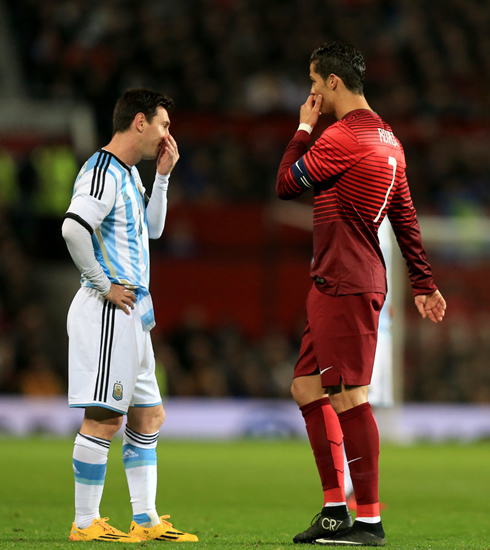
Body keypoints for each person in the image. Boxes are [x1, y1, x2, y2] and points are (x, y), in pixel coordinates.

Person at [276, 42, 446, 546]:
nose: (309, 94)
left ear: (333, 82)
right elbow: (405, 215)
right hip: (338, 280)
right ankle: (334, 511)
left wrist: (303, 129)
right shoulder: (389, 139)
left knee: (349, 397)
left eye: (313, 82)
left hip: (346, 283)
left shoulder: (342, 136)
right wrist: (423, 281)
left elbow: (287, 183)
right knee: (307, 388)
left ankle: (368, 520)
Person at [62, 88, 198, 543]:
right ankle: (85, 523)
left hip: (135, 311)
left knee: (148, 416)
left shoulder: (128, 174)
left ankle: (146, 519)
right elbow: (73, 227)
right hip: (108, 309)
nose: (167, 134)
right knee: (105, 417)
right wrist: (102, 283)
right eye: (163, 124)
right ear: (139, 122)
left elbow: (152, 228)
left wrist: (161, 178)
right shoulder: (101, 171)